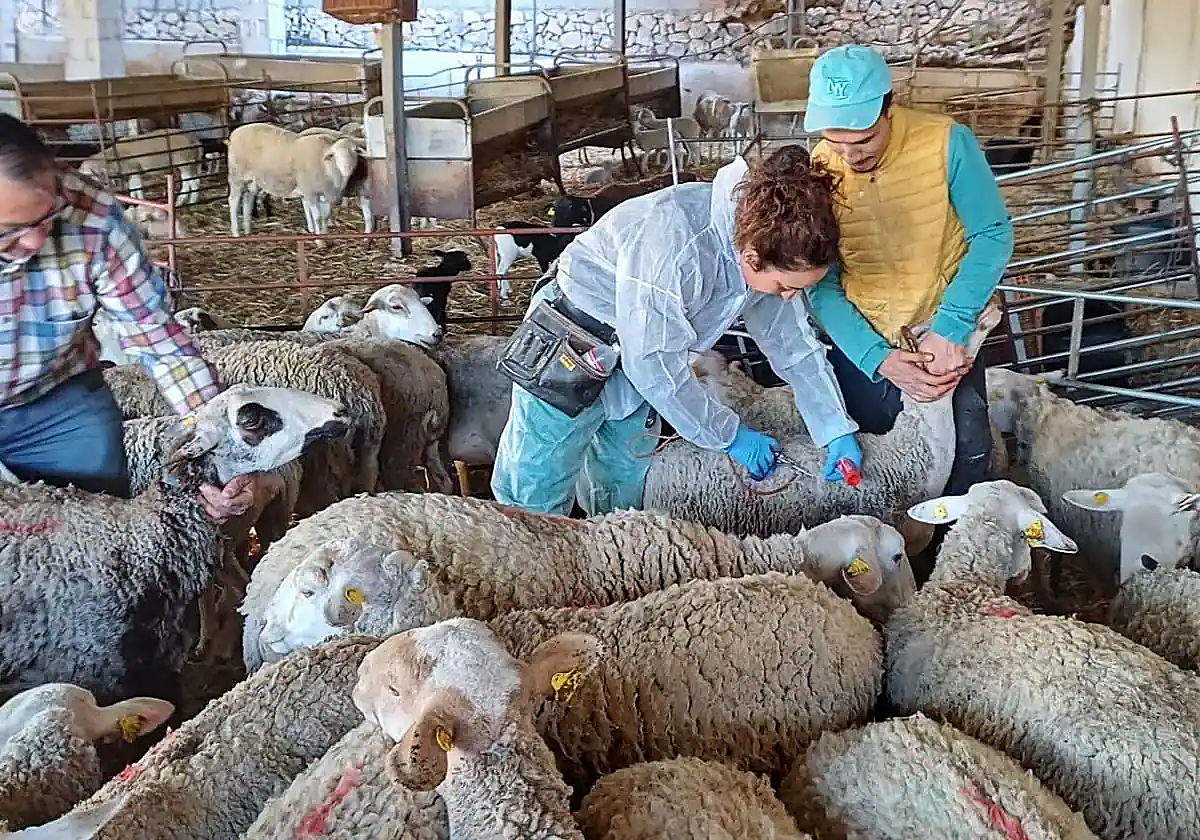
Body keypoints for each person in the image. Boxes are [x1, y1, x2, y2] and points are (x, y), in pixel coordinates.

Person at [491, 145, 861, 517]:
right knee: (537, 479)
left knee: (622, 475)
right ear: (752, 258)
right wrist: (728, 435)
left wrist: (834, 428)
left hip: (643, 354)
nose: (789, 297)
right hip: (573, 338)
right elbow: (653, 363)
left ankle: (610, 559)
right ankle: (526, 566)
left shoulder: (762, 249)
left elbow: (792, 346)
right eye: (786, 286)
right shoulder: (677, 240)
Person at [0, 113, 265, 521]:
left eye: (47, 216)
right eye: (9, 231)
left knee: (98, 540)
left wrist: (222, 447)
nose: (36, 240)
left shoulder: (92, 217)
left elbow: (161, 342)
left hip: (57, 401)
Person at [802, 43, 1015, 496]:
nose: (849, 156)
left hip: (943, 340)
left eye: (862, 141)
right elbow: (821, 282)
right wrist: (875, 357)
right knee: (873, 474)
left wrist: (951, 327)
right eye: (835, 141)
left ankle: (953, 561)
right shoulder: (818, 167)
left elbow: (992, 235)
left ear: (889, 107)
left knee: (966, 460)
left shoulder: (946, 143)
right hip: (864, 343)